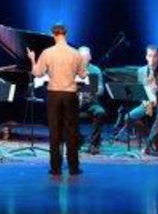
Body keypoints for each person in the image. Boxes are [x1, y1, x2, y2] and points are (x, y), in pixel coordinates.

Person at [28, 23, 87, 177]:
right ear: (66, 34)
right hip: (70, 95)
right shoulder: (75, 53)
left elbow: (38, 73)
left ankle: (55, 168)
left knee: (55, 131)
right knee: (72, 131)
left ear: (53, 34)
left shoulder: (47, 52)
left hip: (54, 95)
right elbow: (82, 75)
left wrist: (32, 59)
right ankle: (73, 168)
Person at [124, 44, 158, 155]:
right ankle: (154, 137)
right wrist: (143, 99)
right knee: (128, 117)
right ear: (146, 57)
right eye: (149, 56)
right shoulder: (141, 71)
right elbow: (140, 91)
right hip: (147, 103)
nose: (152, 59)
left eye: (154, 56)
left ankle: (148, 144)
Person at [77, 46, 107, 155]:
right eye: (81, 57)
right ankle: (78, 140)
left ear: (90, 57)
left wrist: (93, 90)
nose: (83, 60)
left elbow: (101, 90)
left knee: (100, 112)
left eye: (85, 57)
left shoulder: (95, 70)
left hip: (91, 102)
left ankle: (94, 144)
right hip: (76, 103)